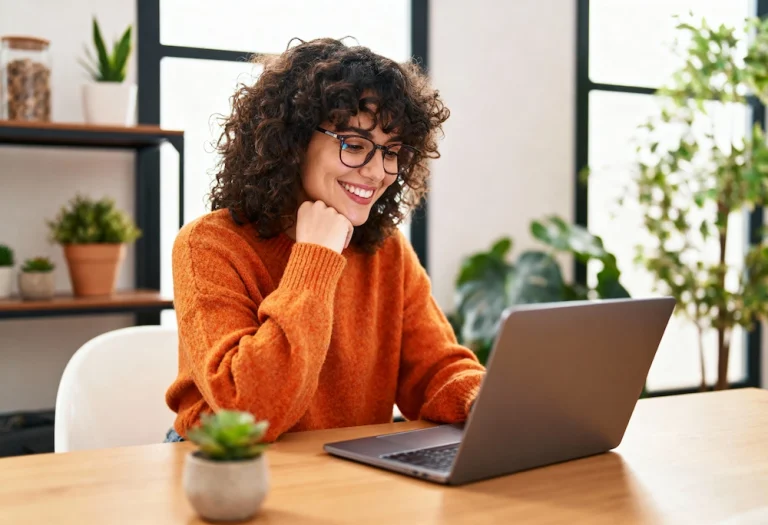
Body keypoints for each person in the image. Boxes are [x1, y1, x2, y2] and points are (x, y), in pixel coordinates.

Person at [164, 38, 485, 444]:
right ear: (293, 142)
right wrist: (314, 259)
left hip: (341, 470)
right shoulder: (208, 245)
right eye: (354, 145)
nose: (376, 172)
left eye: (391, 152)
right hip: (230, 469)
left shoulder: (386, 251)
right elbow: (249, 412)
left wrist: (484, 400)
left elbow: (435, 370)